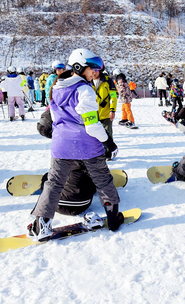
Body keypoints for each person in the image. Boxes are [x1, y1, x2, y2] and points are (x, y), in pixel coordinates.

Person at [28, 48, 122, 241]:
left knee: (54, 183)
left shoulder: (56, 87)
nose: (94, 72)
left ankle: (41, 223)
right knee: (102, 179)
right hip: (88, 145)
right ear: (79, 67)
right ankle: (113, 217)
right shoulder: (84, 89)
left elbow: (54, 118)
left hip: (61, 144)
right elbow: (91, 125)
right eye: (92, 68)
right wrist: (109, 142)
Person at [93, 68, 117, 138]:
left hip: (106, 115)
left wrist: (112, 110)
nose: (94, 72)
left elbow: (113, 96)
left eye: (96, 70)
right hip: (93, 115)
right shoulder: (88, 81)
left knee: (107, 137)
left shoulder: (108, 80)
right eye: (92, 70)